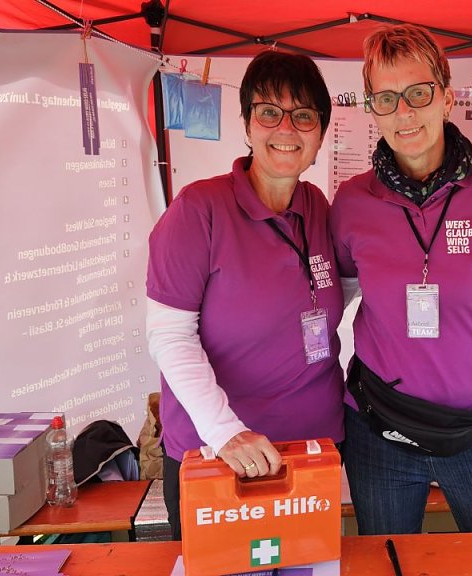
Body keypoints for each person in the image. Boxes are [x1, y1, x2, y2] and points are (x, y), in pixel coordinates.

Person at [331, 24, 472, 535]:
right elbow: (331, 305)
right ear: (372, 110)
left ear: (447, 98)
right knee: (388, 564)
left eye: (418, 93)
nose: (404, 113)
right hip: (380, 430)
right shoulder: (351, 201)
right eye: (386, 99)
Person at [145, 51, 343, 540]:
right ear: (248, 124)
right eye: (269, 112)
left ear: (320, 134)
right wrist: (225, 432)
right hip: (220, 456)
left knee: (309, 567)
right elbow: (170, 336)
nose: (286, 128)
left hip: (312, 451)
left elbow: (345, 290)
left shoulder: (318, 207)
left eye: (303, 116)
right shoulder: (199, 210)